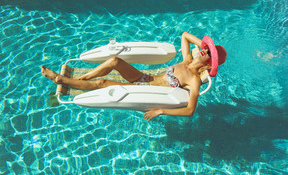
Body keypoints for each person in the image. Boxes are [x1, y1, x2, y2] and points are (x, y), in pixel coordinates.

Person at [41, 32, 227, 121]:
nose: (205, 51)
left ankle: (61, 80)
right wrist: (204, 46)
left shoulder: (194, 80)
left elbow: (189, 110)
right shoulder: (186, 59)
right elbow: (185, 35)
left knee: (102, 83)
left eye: (209, 54)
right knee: (114, 60)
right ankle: (82, 79)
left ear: (210, 63)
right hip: (145, 77)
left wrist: (161, 111)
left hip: (144, 91)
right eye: (207, 49)